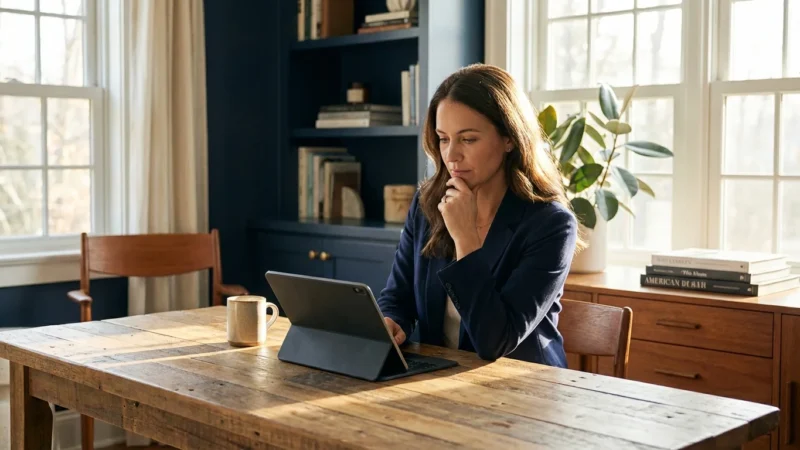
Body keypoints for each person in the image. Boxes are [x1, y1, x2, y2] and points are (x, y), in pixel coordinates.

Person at [376, 63, 585, 367]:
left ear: (509, 138)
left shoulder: (551, 225)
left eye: (468, 139)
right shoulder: (427, 205)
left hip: (524, 390)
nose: (451, 155)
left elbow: (495, 342)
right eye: (444, 139)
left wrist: (466, 240)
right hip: (442, 380)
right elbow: (398, 297)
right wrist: (391, 321)